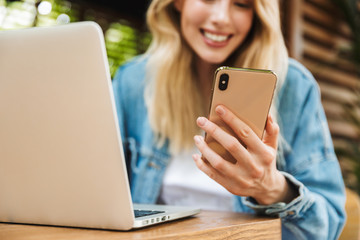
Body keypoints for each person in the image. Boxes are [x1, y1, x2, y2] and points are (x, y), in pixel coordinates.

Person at [112, 0, 346, 239]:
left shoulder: (294, 86)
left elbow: (327, 228)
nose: (221, 17)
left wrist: (272, 188)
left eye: (241, 4)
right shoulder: (133, 82)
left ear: (257, 14)